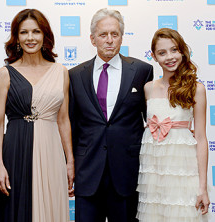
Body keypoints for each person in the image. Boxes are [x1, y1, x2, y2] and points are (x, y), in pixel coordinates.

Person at [69, 8, 154, 222]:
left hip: (127, 173)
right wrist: (69, 166)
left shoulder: (142, 71)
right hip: (88, 173)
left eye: (114, 34)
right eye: (103, 35)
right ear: (92, 38)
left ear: (121, 37)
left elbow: (151, 120)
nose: (109, 40)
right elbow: (71, 124)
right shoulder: (74, 75)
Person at [0, 9, 74, 222]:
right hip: (17, 149)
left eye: (36, 32)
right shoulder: (4, 74)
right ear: (16, 37)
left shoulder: (61, 72)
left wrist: (70, 160)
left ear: (44, 36)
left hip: (52, 151)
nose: (30, 38)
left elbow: (63, 120)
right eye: (24, 32)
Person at [136, 28, 210, 221]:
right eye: (162, 53)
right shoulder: (148, 88)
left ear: (182, 51)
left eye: (174, 50)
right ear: (154, 56)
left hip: (183, 172)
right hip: (154, 175)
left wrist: (202, 187)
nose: (169, 57)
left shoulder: (196, 89)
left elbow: (201, 139)